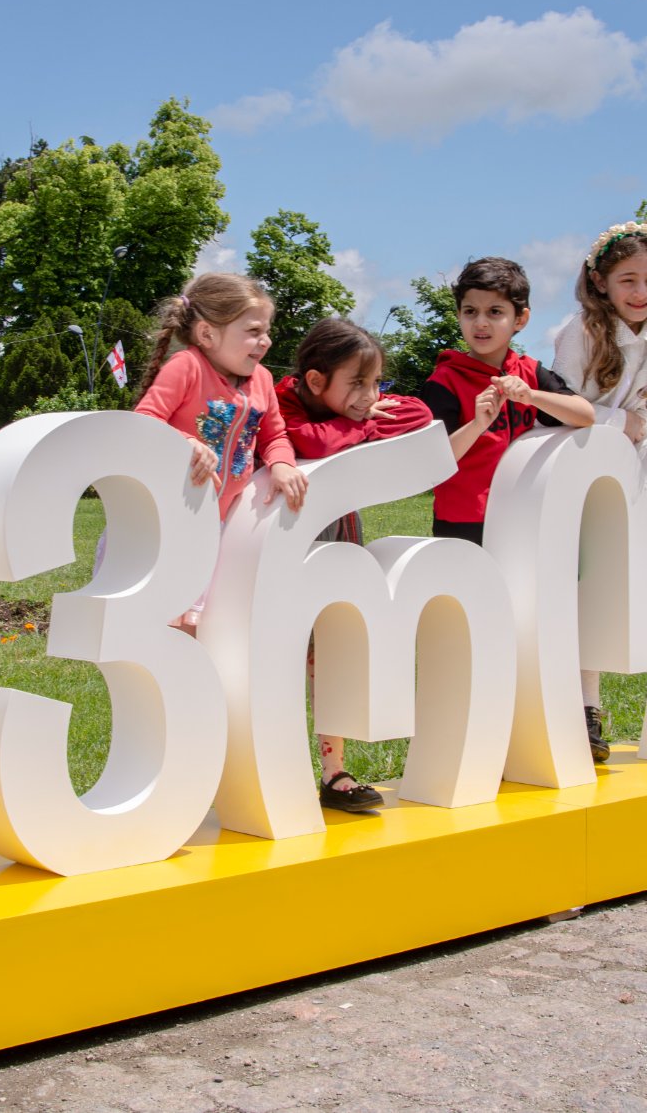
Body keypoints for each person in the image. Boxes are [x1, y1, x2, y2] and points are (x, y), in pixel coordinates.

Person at [419, 256, 599, 753]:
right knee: (472, 632)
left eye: (495, 312)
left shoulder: (530, 371)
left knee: (532, 626)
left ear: (521, 319)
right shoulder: (444, 381)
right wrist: (477, 423)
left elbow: (584, 415)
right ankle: (474, 738)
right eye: (470, 311)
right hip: (466, 523)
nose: (481, 323)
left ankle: (541, 728)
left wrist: (533, 396)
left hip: (525, 522)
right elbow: (430, 464)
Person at [275, 317, 433, 812]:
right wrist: (363, 428)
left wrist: (357, 420)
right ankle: (273, 768)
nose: (371, 396)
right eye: (358, 383)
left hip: (338, 533)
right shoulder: (281, 400)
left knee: (333, 650)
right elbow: (309, 441)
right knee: (279, 654)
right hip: (283, 542)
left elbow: (419, 412)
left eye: (377, 383)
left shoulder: (353, 405)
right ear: (315, 380)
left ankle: (334, 770)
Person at [133, 273, 309, 631]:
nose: (266, 341)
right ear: (207, 334)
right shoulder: (187, 366)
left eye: (267, 330)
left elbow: (275, 434)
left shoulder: (262, 380)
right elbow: (144, 421)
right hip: (171, 520)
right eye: (254, 331)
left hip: (221, 524)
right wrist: (184, 443)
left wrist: (281, 463)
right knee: (162, 619)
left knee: (201, 622)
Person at [551, 221, 647, 445]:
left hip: (620, 448)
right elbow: (559, 403)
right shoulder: (584, 330)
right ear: (601, 282)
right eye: (628, 281)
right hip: (570, 446)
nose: (641, 293)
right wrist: (620, 421)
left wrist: (638, 422)